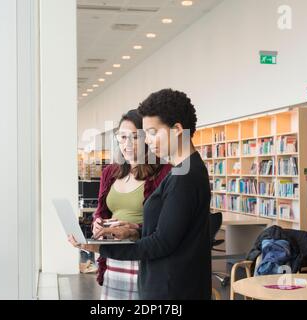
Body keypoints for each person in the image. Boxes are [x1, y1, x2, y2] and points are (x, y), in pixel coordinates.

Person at [70, 89, 212, 300]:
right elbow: (169, 229)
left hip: (171, 289)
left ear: (177, 130)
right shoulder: (184, 170)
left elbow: (161, 243)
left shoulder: (185, 176)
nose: (148, 141)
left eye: (153, 133)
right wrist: (132, 231)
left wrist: (98, 247)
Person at [91, 109, 171, 300]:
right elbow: (101, 211)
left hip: (145, 256)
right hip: (115, 258)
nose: (127, 144)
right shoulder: (110, 172)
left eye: (134, 137)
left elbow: (167, 225)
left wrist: (134, 230)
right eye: (122, 137)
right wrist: (97, 222)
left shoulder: (164, 171)